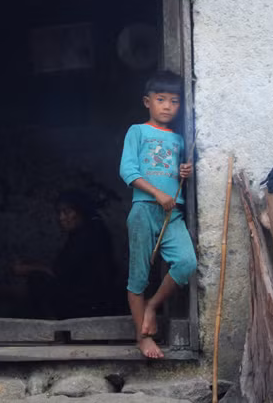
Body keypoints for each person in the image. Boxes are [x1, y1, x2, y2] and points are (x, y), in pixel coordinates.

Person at [119, 70, 197, 359]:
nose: (167, 106)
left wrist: (184, 172)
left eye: (174, 101)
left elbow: (175, 173)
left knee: (186, 263)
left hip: (171, 214)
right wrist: (156, 193)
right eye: (161, 99)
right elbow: (128, 171)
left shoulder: (178, 140)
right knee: (138, 277)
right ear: (147, 102)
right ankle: (142, 338)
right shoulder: (137, 132)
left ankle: (152, 306)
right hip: (144, 210)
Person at [13, 190, 119, 319]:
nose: (61, 218)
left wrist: (30, 269)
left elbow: (60, 273)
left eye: (67, 212)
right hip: (85, 298)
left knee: (37, 281)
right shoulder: (83, 233)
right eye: (59, 213)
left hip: (88, 303)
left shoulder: (89, 236)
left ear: (80, 212)